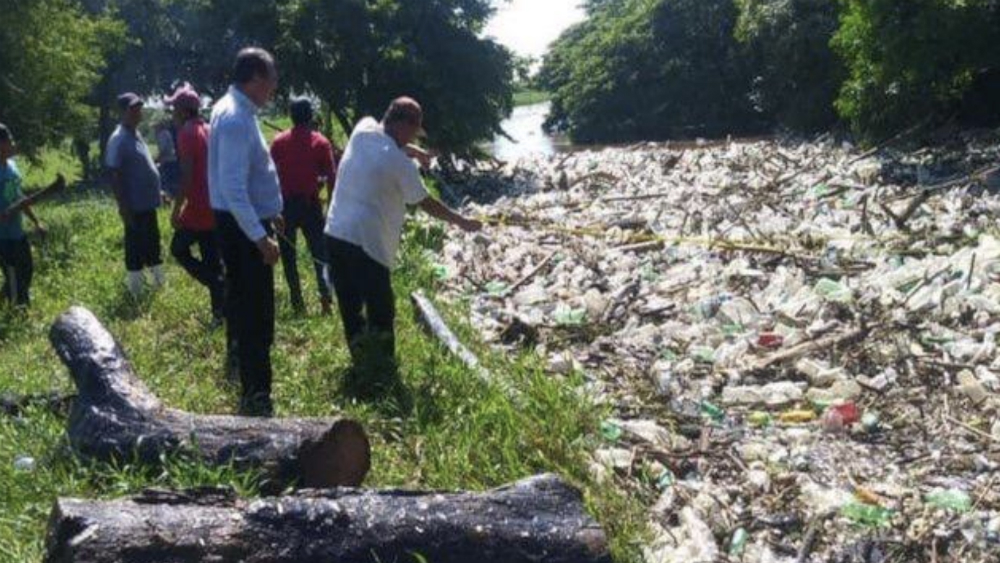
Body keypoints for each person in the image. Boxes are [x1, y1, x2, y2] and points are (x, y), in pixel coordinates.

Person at [325, 97, 481, 364]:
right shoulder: (399, 164)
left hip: (335, 233)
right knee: (381, 308)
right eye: (413, 131)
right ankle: (383, 368)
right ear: (403, 124)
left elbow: (388, 143)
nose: (413, 136)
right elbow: (425, 202)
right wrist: (462, 221)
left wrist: (415, 151)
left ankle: (360, 362)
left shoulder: (363, 129)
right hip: (367, 243)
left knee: (349, 306)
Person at [208, 48, 283, 417]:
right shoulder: (236, 118)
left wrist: (273, 213)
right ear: (254, 78)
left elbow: (249, 180)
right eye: (271, 78)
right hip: (242, 228)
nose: (274, 86)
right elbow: (233, 187)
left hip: (245, 220)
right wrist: (260, 236)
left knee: (242, 302)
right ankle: (257, 392)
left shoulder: (234, 110)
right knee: (255, 310)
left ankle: (245, 371)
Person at [270, 97, 337, 315]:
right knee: (320, 254)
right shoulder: (320, 142)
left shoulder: (278, 142)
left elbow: (268, 176)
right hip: (311, 206)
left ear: (291, 116)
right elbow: (331, 178)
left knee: (289, 257)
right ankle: (325, 301)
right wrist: (331, 207)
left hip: (284, 206)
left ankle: (297, 303)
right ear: (310, 116)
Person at [165, 83, 224, 323]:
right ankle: (219, 312)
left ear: (182, 109)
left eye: (173, 108)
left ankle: (217, 284)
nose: (172, 114)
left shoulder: (186, 133)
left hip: (198, 208)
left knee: (178, 249)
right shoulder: (209, 129)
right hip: (216, 206)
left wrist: (176, 210)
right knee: (212, 258)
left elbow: (187, 176)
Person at [106, 92, 165, 297]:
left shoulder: (135, 134)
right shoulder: (118, 138)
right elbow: (114, 174)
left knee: (153, 243)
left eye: (139, 108)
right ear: (122, 112)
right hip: (134, 206)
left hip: (147, 203)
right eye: (133, 109)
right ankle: (136, 292)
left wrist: (158, 189)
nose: (138, 112)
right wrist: (123, 207)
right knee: (135, 247)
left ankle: (158, 285)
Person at [0, 124, 46, 307]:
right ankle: (19, 309)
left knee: (26, 269)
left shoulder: (12, 166)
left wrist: (35, 221)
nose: (12, 145)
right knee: (13, 274)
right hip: (2, 237)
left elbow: (19, 198)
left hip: (17, 231)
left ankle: (13, 301)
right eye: (8, 141)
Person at [155, 119, 181, 199]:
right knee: (171, 181)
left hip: (168, 161)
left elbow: (163, 150)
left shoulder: (162, 134)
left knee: (166, 181)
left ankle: (169, 197)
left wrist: (156, 160)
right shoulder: (166, 133)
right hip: (170, 160)